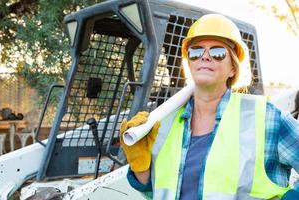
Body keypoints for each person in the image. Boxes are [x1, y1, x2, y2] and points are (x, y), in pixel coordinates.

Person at [120, 14, 299, 200]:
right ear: (189, 63)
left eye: (217, 52)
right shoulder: (163, 123)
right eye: (196, 52)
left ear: (233, 68)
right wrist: (140, 167)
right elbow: (157, 192)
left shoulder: (265, 118)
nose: (205, 57)